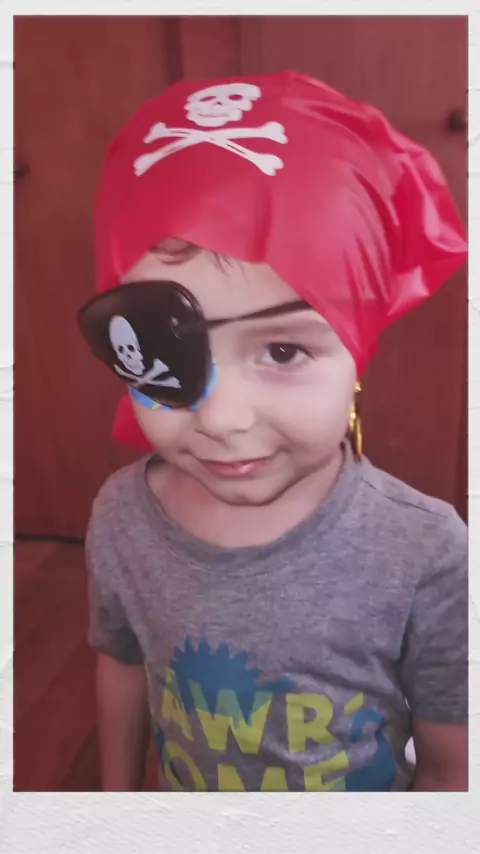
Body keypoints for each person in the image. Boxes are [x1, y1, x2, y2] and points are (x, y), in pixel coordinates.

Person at [78, 71, 468, 792]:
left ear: (358, 347)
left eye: (283, 351)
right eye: (166, 351)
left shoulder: (426, 552)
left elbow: (453, 767)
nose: (222, 418)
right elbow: (124, 662)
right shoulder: (122, 517)